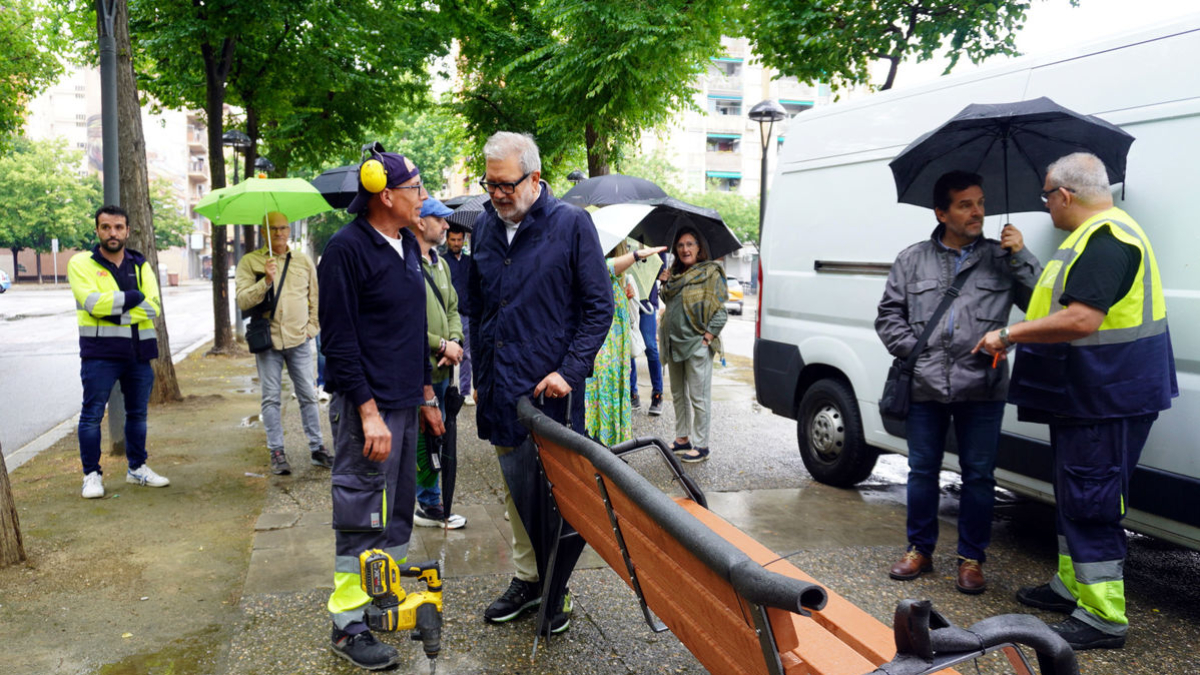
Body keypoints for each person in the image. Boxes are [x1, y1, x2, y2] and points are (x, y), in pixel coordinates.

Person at [974, 153, 1177, 650]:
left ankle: (1103, 616)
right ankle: (1073, 586)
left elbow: (1082, 320)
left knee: (1091, 501)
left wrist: (1009, 334)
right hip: (1091, 394)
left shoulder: (1107, 241)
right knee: (1075, 495)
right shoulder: (1094, 237)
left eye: (1046, 196)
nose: (1046, 205)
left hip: (1105, 397)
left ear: (1064, 195)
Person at [468, 131, 612, 635]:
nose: (497, 194)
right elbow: (478, 310)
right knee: (516, 491)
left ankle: (557, 586)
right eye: (490, 184)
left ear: (535, 178)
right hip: (500, 388)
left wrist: (569, 371)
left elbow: (599, 308)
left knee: (558, 495)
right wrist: (479, 376)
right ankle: (529, 580)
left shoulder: (572, 225)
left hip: (551, 396)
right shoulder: (485, 227)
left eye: (506, 185)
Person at [875, 170, 1041, 594]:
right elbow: (888, 316)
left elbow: (1045, 305)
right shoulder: (912, 259)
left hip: (983, 386)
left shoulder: (1003, 257)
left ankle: (971, 558)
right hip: (925, 385)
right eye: (965, 205)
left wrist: (1021, 256)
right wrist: (918, 355)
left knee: (980, 476)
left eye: (980, 203)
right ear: (941, 212)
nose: (977, 212)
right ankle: (919, 549)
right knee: (922, 471)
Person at [317, 150, 445, 670]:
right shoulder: (346, 250)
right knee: (362, 514)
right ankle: (347, 627)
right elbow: (339, 341)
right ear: (385, 195)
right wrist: (368, 412)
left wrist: (426, 395)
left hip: (405, 402)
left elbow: (413, 331)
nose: (423, 196)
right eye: (416, 187)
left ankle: (378, 600)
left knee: (395, 513)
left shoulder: (408, 245)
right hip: (366, 408)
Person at [68, 204, 169, 498]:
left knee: (137, 414)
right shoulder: (81, 263)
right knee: (92, 415)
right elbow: (92, 303)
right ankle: (91, 475)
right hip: (100, 354)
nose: (112, 233)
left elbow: (154, 307)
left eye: (118, 227)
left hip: (138, 353)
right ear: (97, 230)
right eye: (106, 227)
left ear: (127, 231)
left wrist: (114, 312)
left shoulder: (141, 264)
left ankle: (137, 468)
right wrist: (134, 297)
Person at [235, 211, 332, 475]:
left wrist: (312, 328)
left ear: (289, 231)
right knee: (271, 399)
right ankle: (277, 451)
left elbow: (315, 296)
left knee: (308, 395)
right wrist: (266, 281)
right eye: (273, 229)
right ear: (263, 232)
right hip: (268, 342)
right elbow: (243, 300)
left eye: (283, 228)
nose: (279, 233)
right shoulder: (250, 262)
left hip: (299, 339)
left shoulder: (302, 260)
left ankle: (317, 448)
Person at [412, 197, 467, 530]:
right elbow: (407, 322)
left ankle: (433, 499)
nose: (447, 226)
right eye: (440, 219)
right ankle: (427, 504)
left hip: (445, 368)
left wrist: (455, 342)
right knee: (425, 438)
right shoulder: (407, 264)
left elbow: (452, 310)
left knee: (440, 435)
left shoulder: (441, 265)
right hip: (420, 372)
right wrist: (442, 344)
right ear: (421, 222)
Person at [586, 242, 668, 446]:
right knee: (602, 396)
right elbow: (606, 266)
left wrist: (626, 296)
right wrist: (637, 255)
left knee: (614, 394)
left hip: (617, 353)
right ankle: (600, 446)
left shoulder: (621, 279)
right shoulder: (595, 267)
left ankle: (611, 446)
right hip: (603, 352)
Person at [658, 227, 727, 464]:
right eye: (680, 245)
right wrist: (664, 284)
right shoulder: (675, 275)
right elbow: (669, 301)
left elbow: (720, 312)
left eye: (689, 244)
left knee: (699, 397)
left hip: (696, 344)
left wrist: (706, 339)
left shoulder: (710, 273)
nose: (685, 249)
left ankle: (702, 445)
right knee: (678, 394)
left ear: (699, 248)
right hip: (674, 344)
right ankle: (682, 439)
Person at [629, 251, 666, 416]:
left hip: (647, 302)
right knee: (629, 347)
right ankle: (632, 392)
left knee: (650, 346)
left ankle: (658, 393)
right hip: (628, 298)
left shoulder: (655, 245)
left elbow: (661, 272)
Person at [443, 224, 474, 406]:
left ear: (463, 240)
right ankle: (446, 390)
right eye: (453, 240)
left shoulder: (470, 261)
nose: (456, 243)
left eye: (459, 240)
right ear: (447, 240)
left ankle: (465, 391)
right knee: (444, 352)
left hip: (466, 313)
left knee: (466, 355)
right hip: (447, 314)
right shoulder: (441, 261)